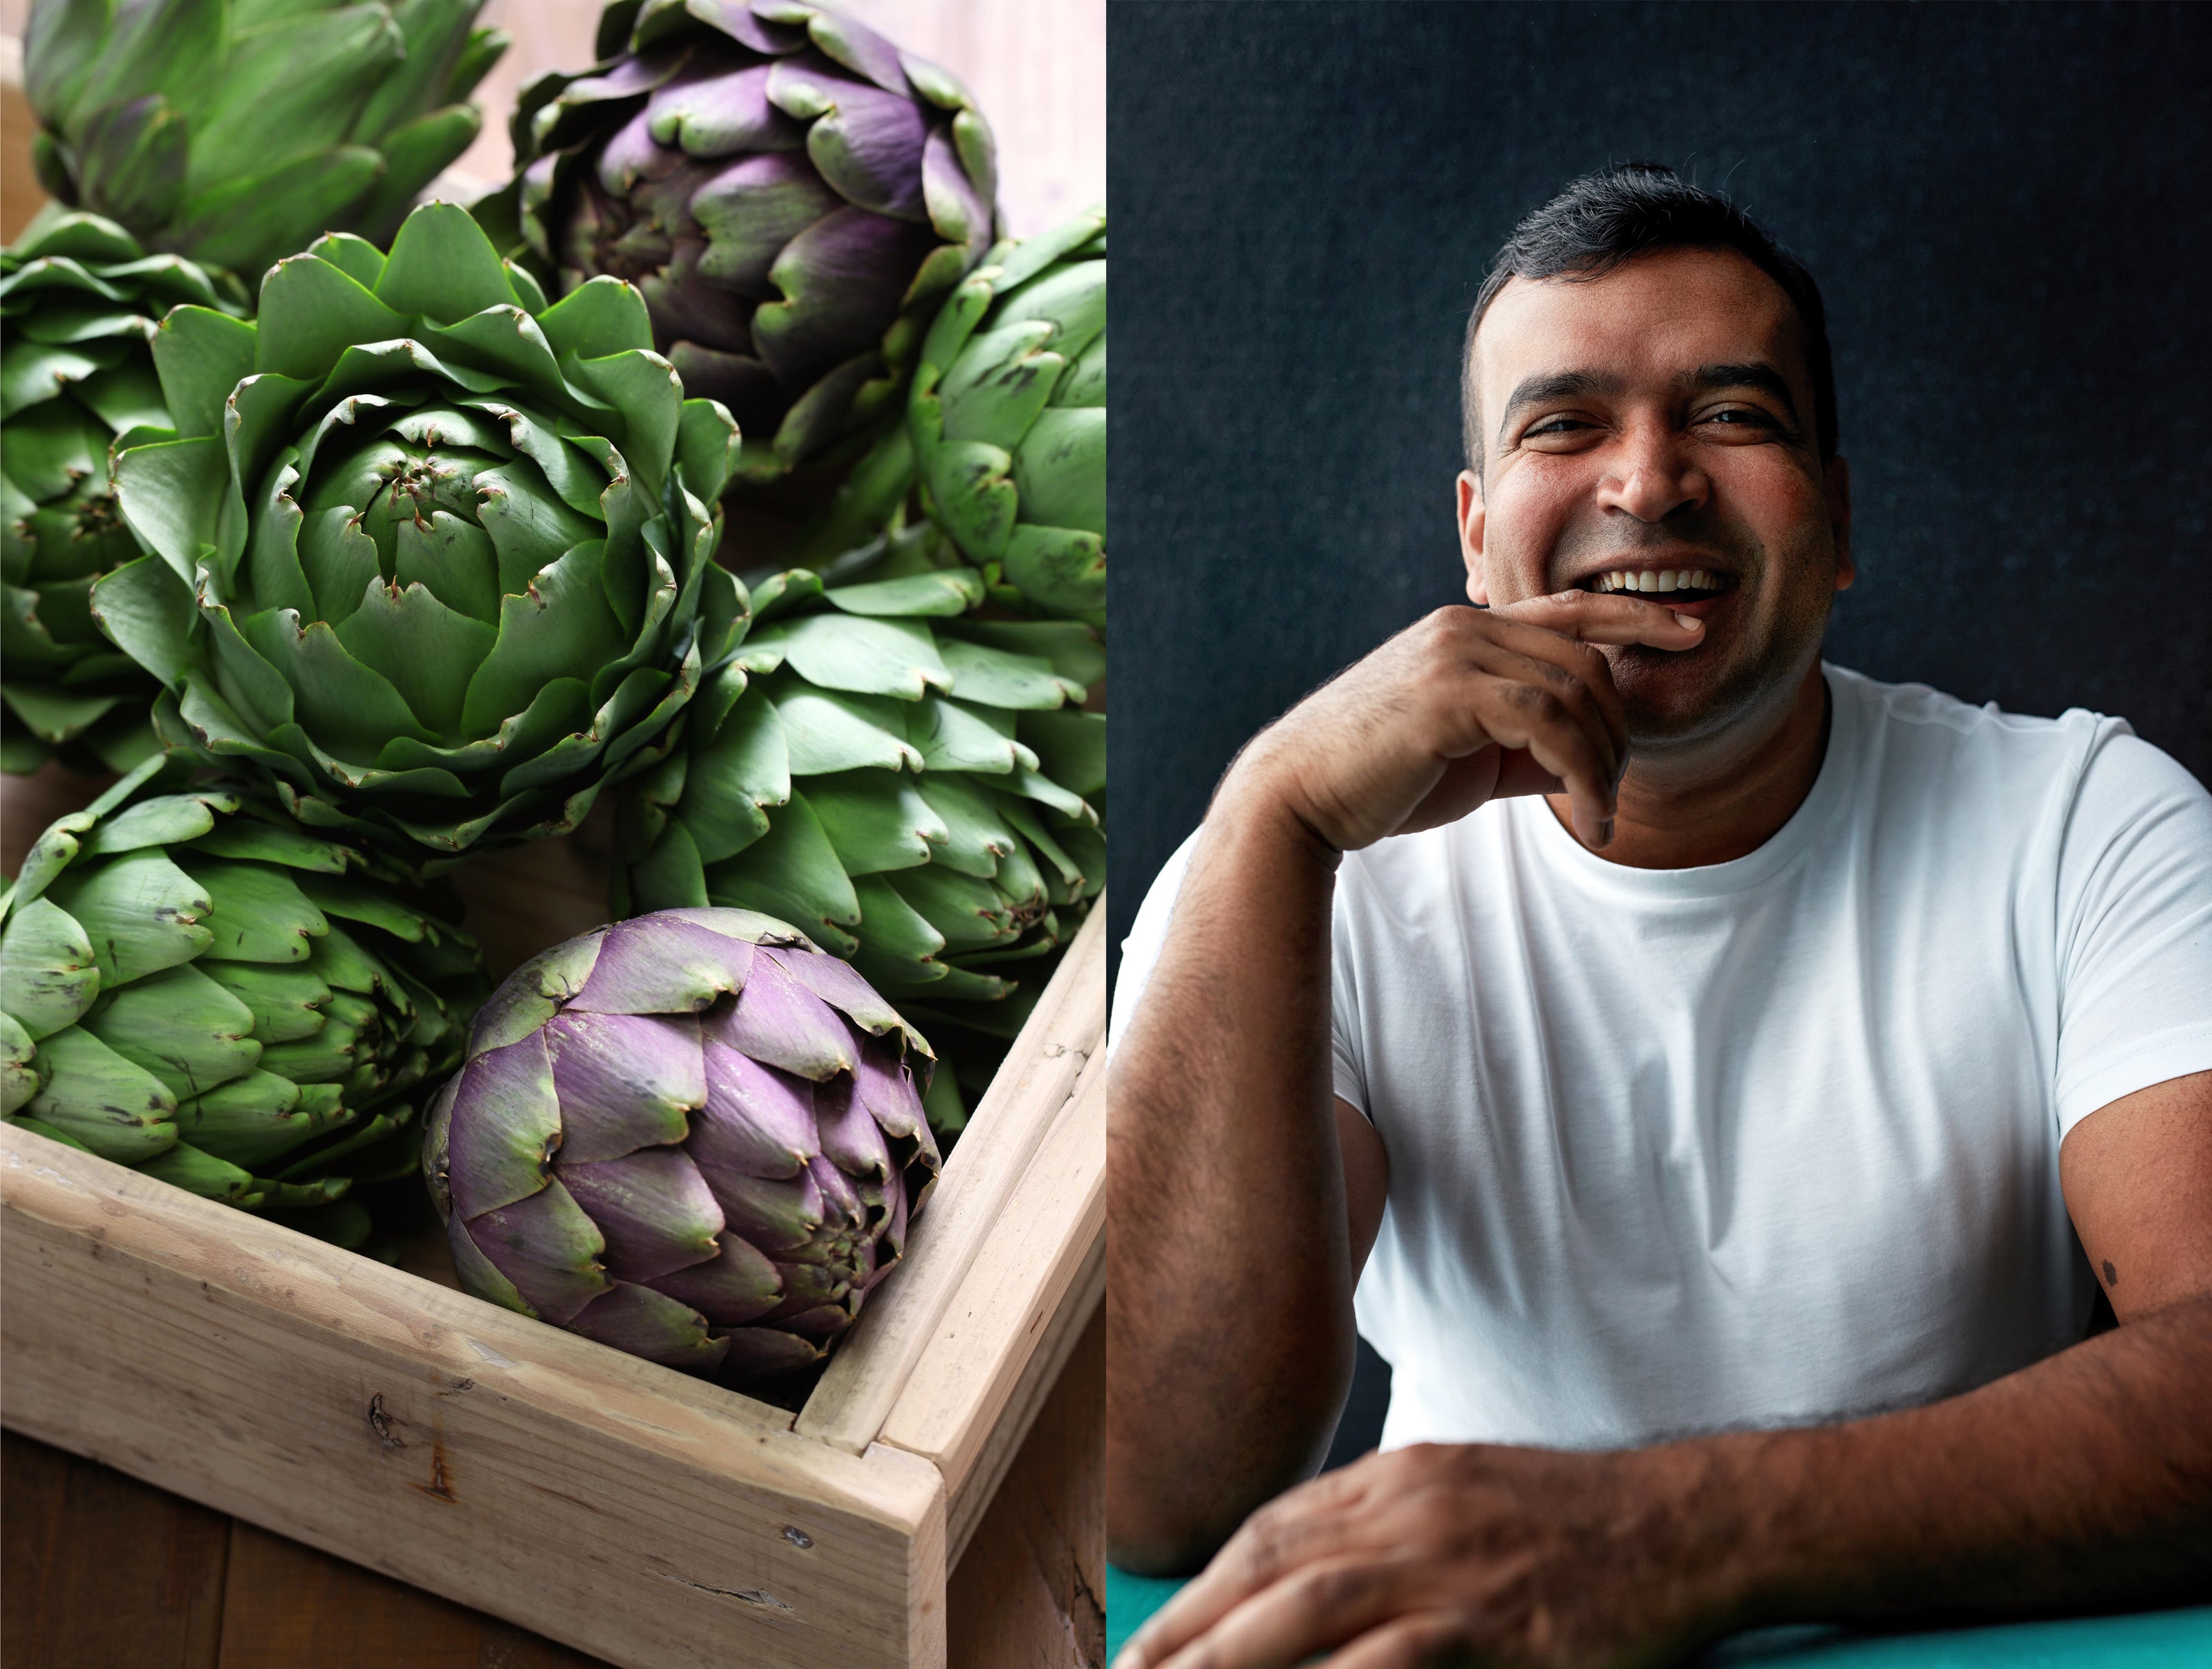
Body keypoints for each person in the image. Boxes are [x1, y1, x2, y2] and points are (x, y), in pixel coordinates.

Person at [1107, 164, 2212, 1668]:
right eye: (1565, 423)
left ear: (1836, 519)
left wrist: (1655, 1537)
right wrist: (1269, 813)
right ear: (1476, 530)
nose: (1649, 481)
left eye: (1735, 415)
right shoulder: (1289, 872)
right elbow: (1155, 1492)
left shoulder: (2089, 821)